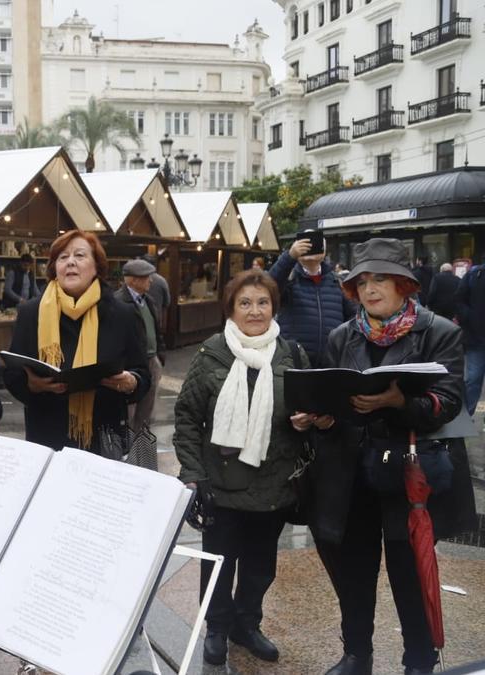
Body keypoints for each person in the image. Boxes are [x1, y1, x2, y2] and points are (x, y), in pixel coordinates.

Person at [309, 239, 475, 675]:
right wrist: (323, 418)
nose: (369, 288)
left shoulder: (440, 331)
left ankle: (418, 660)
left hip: (409, 474)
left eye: (379, 278)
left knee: (409, 573)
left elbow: (449, 402)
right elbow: (335, 400)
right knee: (355, 572)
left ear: (404, 284)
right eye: (361, 281)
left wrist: (398, 403)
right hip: (354, 473)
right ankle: (356, 654)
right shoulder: (341, 336)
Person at [174, 270, 312, 667]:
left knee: (260, 564)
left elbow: (308, 409)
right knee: (219, 563)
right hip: (221, 482)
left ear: (274, 306)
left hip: (275, 483)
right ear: (231, 309)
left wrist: (305, 419)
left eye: (263, 302)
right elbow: (186, 418)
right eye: (245, 303)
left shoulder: (292, 355)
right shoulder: (213, 354)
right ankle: (217, 627)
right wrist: (193, 473)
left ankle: (247, 624)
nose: (255, 311)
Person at [2, 231, 150, 453]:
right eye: (62, 257)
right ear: (55, 268)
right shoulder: (31, 312)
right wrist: (30, 385)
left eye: (79, 255)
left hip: (104, 437)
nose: (70, 261)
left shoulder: (122, 314)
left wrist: (132, 381)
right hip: (46, 436)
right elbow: (12, 373)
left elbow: (143, 373)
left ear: (96, 267)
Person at [268, 231, 355, 368]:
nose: (310, 247)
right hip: (293, 361)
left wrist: (343, 345)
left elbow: (353, 317)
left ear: (324, 250)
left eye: (315, 243)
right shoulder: (289, 279)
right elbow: (269, 286)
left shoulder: (337, 281)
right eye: (305, 244)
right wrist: (290, 256)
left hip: (331, 364)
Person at [114, 258, 165, 437]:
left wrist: (160, 355)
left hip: (152, 361)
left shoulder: (148, 300)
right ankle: (127, 454)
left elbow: (156, 330)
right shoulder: (119, 302)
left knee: (146, 411)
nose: (151, 281)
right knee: (129, 412)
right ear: (133, 280)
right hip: (131, 366)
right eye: (146, 277)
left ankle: (142, 452)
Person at [456, 258, 485, 414]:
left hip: (476, 336)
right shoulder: (475, 274)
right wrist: (469, 317)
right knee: (473, 379)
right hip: (476, 339)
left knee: (473, 379)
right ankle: (467, 415)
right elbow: (459, 298)